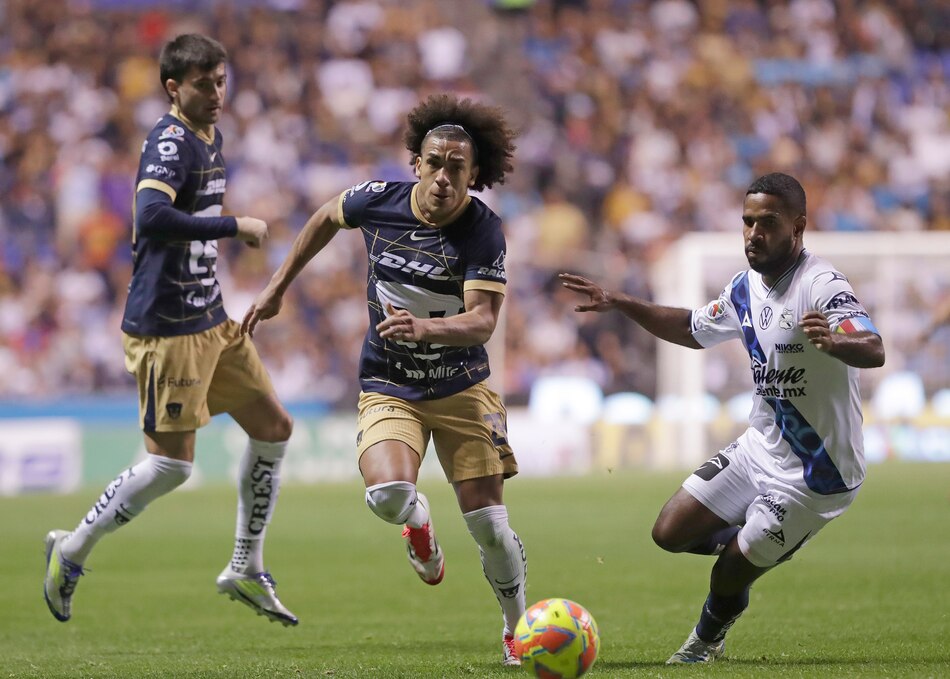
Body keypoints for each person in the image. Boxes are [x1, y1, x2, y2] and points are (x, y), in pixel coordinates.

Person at [242, 93, 527, 666]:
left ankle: (517, 626)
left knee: (490, 526)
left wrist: (423, 328)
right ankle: (418, 523)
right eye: (434, 162)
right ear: (416, 162)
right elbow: (324, 217)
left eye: (457, 168)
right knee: (388, 495)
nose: (444, 177)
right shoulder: (375, 200)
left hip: (461, 387)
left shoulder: (483, 232)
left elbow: (482, 321)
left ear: (474, 176)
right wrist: (277, 286)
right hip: (390, 382)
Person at [561, 172, 885, 664]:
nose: (754, 233)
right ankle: (761, 542)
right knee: (669, 532)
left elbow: (874, 348)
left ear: (798, 227)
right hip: (760, 448)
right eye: (748, 222)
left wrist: (837, 342)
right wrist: (621, 302)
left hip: (818, 474)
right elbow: (692, 329)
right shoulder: (743, 288)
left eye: (768, 223)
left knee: (730, 572)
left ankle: (705, 642)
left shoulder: (821, 284)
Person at [43, 34, 298, 627]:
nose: (216, 93)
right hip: (168, 327)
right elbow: (151, 216)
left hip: (210, 316)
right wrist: (236, 226)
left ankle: (245, 565)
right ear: (173, 89)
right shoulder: (170, 140)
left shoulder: (213, 136)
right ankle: (71, 549)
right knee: (171, 467)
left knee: (274, 428)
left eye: (221, 80)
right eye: (204, 84)